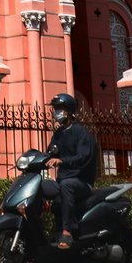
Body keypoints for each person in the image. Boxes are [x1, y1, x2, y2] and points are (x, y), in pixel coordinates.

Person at [41, 92, 98, 249]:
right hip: (63, 180)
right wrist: (41, 159)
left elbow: (83, 157)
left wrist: (62, 161)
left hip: (81, 182)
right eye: (55, 109)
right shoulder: (59, 133)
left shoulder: (81, 133)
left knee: (66, 185)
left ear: (69, 111)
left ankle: (68, 231)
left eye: (59, 109)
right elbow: (51, 152)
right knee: (40, 185)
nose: (56, 112)